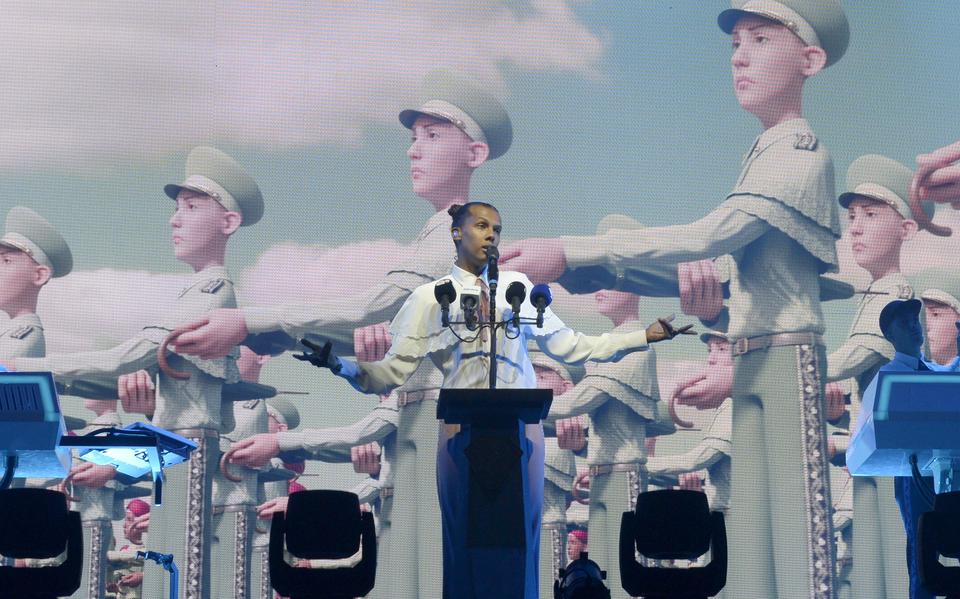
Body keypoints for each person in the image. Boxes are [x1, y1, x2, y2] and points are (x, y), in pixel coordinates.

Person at [500, 2, 850, 596]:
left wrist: (571, 252)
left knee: (795, 540)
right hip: (756, 353)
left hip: (787, 359)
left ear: (810, 60)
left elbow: (709, 236)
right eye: (736, 44)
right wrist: (680, 295)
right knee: (756, 551)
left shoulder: (800, 154)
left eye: (761, 40)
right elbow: (729, 265)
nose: (739, 56)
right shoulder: (761, 158)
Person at [168, 70, 514, 599]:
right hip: (430, 419)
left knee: (434, 574)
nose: (413, 151)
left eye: (433, 136)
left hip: (444, 421)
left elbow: (372, 308)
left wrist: (250, 321)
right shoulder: (440, 233)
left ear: (476, 153)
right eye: (413, 138)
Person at [296, 201, 690, 599]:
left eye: (496, 229)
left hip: (522, 433)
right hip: (459, 434)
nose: (490, 236)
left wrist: (642, 337)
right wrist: (341, 366)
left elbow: (573, 347)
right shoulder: (430, 300)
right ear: (456, 234)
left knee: (523, 545)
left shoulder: (517, 292)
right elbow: (390, 372)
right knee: (460, 546)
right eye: (481, 226)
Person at [5, 146, 264, 599]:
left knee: (185, 577)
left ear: (229, 223)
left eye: (191, 207)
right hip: (174, 447)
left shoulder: (213, 292)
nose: (174, 220)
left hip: (188, 450)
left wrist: (15, 370)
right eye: (175, 208)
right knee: (173, 572)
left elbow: (125, 360)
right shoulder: (190, 294)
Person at [825, 154, 930, 599]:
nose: (856, 227)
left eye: (871, 214)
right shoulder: (873, 296)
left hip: (893, 467)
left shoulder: (894, 294)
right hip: (877, 458)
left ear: (906, 229)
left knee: (891, 569)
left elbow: (845, 362)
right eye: (852, 216)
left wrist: (776, 361)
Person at [541, 284, 662, 599]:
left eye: (612, 283)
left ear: (635, 289)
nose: (598, 290)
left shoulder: (636, 346)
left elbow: (575, 402)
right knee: (603, 570)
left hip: (624, 475)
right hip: (604, 474)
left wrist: (514, 407)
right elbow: (599, 421)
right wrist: (585, 449)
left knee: (626, 575)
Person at [848, 299, 960, 599]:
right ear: (890, 336)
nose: (913, 326)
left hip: (951, 474)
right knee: (922, 556)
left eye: (915, 319)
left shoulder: (940, 373)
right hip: (914, 475)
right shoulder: (885, 378)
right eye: (904, 322)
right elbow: (866, 433)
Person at [106, 498, 151, 599]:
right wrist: (115, 587)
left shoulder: (150, 549)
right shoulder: (125, 550)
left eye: (130, 520)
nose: (124, 525)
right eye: (126, 520)